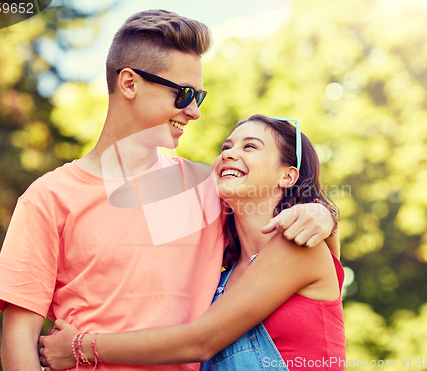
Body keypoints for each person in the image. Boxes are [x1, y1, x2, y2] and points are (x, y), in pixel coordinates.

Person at [0, 10, 338, 371]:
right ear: (130, 83)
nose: (194, 111)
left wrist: (322, 213)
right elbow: (20, 337)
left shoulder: (209, 188)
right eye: (183, 93)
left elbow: (278, 219)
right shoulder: (48, 198)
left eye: (198, 96)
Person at [39, 115, 345, 371]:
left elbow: (199, 341)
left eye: (250, 146)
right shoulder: (220, 275)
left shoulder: (298, 246)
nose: (228, 153)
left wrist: (80, 347)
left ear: (288, 176)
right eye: (226, 147)